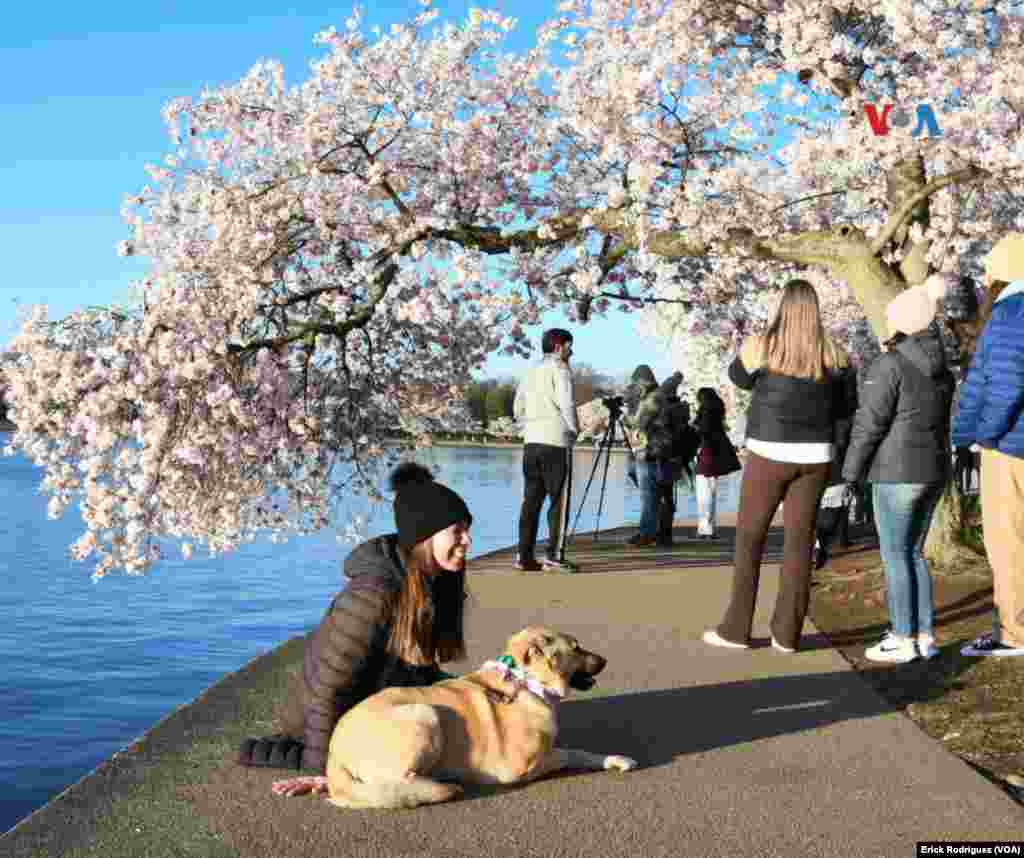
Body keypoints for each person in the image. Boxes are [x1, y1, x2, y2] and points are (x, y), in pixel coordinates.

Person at [237, 462, 473, 773]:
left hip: (377, 707)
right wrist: (322, 770)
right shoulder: (373, 595)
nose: (468, 541)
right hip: (329, 723)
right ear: (425, 537)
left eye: (468, 530)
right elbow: (329, 688)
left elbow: (419, 671)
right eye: (457, 531)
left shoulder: (434, 581)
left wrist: (474, 686)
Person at [703, 279, 857, 653]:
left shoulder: (765, 346)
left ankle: (736, 629)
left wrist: (759, 340)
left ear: (782, 309)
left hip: (769, 453)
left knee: (750, 537)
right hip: (815, 458)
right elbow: (848, 407)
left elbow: (737, 377)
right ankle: (787, 634)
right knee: (799, 543)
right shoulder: (835, 353)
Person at [842, 275, 954, 663]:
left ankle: (902, 637)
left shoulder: (889, 364)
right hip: (934, 469)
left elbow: (869, 423)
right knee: (915, 554)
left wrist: (850, 472)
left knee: (895, 555)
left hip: (896, 471)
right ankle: (924, 635)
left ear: (902, 322)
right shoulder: (942, 368)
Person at [952, 233, 1024, 657]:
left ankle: (1014, 632)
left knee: (1008, 540)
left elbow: (1002, 384)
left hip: (1011, 446)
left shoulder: (1012, 313)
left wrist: (981, 436)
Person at [513, 328, 579, 572]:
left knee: (531, 501)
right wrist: (574, 429)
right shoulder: (560, 369)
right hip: (555, 442)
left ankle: (524, 555)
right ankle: (555, 555)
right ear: (558, 346)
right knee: (558, 502)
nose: (571, 350)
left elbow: (517, 405)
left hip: (531, 443)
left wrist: (527, 427)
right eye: (569, 345)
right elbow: (567, 402)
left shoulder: (531, 371)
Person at [642, 371, 701, 546]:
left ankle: (660, 533)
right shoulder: (682, 409)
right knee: (667, 494)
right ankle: (665, 533)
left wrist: (651, 424)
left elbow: (654, 430)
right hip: (676, 456)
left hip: (662, 455)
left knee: (660, 495)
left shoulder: (665, 411)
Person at [692, 387, 742, 540]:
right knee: (711, 493)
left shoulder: (705, 415)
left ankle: (705, 529)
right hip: (714, 457)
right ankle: (711, 528)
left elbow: (701, 433)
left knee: (703, 494)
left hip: (705, 456)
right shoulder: (717, 414)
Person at [623, 364, 663, 547]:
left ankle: (647, 533)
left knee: (648, 494)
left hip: (649, 451)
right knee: (647, 492)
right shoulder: (638, 399)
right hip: (638, 449)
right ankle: (650, 529)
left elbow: (645, 422)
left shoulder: (655, 399)